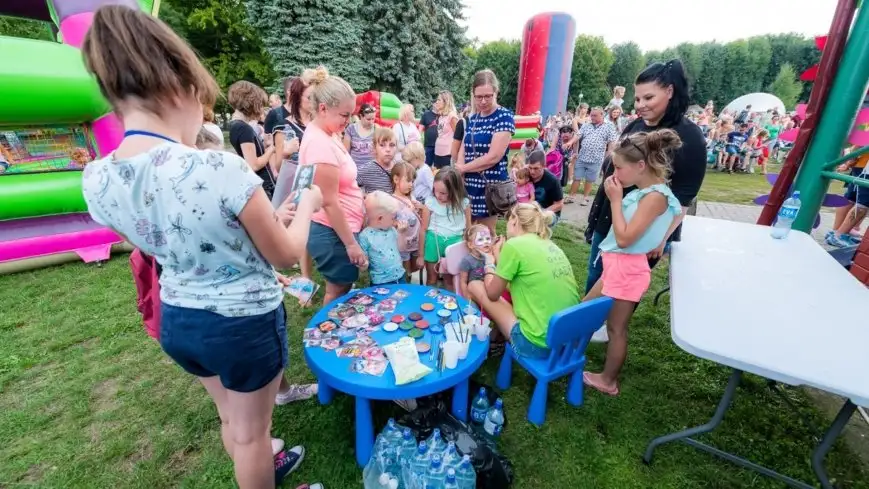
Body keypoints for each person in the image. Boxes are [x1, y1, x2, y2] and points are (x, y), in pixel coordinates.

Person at [78, 6, 321, 487]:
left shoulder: (97, 180)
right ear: (180, 86)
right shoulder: (218, 168)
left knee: (232, 420)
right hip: (242, 324)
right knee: (253, 435)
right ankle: (258, 472)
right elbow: (286, 255)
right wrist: (310, 203)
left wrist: (264, 220)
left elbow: (164, 238)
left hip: (180, 320)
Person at [585, 59, 706, 296]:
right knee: (597, 273)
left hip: (644, 230)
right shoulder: (635, 126)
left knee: (621, 288)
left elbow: (683, 197)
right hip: (611, 215)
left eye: (648, 98)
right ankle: (589, 324)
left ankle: (607, 326)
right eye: (637, 98)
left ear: (670, 91)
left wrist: (661, 238)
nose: (640, 105)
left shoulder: (690, 137)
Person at [582, 131, 683, 396]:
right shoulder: (648, 192)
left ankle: (607, 380)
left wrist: (615, 200)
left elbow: (625, 238)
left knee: (616, 328)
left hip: (627, 268)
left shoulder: (654, 197)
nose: (615, 173)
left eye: (618, 167)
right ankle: (568, 352)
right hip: (620, 266)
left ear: (640, 166)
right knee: (584, 312)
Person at [466, 203, 579, 359]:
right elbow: (519, 282)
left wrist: (489, 262)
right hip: (566, 342)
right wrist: (499, 256)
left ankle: (482, 336)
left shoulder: (515, 245)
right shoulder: (549, 244)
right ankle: (495, 337)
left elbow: (492, 293)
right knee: (507, 293)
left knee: (475, 285)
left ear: (515, 221)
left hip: (535, 345)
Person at [302, 66, 368, 305]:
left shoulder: (327, 134)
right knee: (336, 292)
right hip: (332, 232)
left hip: (338, 229)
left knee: (341, 288)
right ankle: (327, 335)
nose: (348, 121)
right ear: (323, 108)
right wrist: (351, 244)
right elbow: (329, 202)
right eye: (344, 115)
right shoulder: (320, 144)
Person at [456, 70, 515, 232]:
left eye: (488, 96)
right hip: (468, 184)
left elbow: (494, 157)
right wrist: (459, 168)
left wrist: (463, 168)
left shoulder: (504, 116)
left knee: (485, 233)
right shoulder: (473, 118)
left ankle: (490, 258)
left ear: (496, 92)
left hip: (489, 187)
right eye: (478, 96)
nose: (482, 101)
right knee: (468, 230)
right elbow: (464, 146)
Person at [417, 168, 471, 291]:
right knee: (431, 278)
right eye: (435, 191)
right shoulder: (430, 203)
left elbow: (469, 228)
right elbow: (423, 229)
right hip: (433, 241)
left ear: (454, 191)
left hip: (455, 243)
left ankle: (449, 304)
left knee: (450, 279)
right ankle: (430, 303)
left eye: (443, 193)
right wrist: (420, 255)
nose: (438, 195)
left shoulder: (464, 204)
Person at [228, 80, 277, 199]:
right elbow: (253, 164)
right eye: (260, 104)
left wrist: (264, 145)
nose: (261, 108)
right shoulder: (243, 128)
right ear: (251, 103)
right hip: (263, 187)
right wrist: (271, 149)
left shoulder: (236, 125)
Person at [567, 107, 618, 205]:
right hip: (582, 157)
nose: (592, 117)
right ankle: (571, 196)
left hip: (596, 159)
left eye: (595, 115)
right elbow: (578, 135)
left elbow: (612, 141)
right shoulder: (587, 125)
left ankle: (585, 198)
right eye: (591, 115)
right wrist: (570, 142)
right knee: (576, 177)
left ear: (602, 115)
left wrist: (608, 156)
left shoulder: (609, 126)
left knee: (589, 180)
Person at [359, 191, 406, 285]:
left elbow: (401, 248)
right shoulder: (365, 236)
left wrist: (401, 233)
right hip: (381, 282)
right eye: (392, 218)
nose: (394, 220)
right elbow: (363, 264)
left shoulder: (392, 230)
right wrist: (363, 264)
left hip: (400, 277)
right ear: (380, 218)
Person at [827, 148, 869, 248]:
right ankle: (839, 235)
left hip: (862, 165)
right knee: (863, 204)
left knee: (851, 199)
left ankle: (837, 232)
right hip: (865, 167)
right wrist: (849, 160)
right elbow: (860, 143)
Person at [391, 161, 421, 277]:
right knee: (406, 272)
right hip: (402, 245)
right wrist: (397, 224)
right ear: (396, 180)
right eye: (408, 181)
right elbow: (389, 222)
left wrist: (420, 208)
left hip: (415, 242)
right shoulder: (392, 201)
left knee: (414, 269)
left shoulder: (411, 197)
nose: (411, 184)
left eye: (412, 181)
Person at [527, 150, 564, 227]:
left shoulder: (553, 180)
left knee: (537, 225)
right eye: (530, 168)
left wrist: (540, 213)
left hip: (548, 212)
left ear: (544, 166)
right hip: (529, 209)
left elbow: (559, 204)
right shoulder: (526, 174)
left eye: (536, 168)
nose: (532, 172)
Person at [356, 127, 397, 194]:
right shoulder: (367, 169)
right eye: (382, 145)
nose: (388, 149)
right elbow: (347, 185)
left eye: (392, 145)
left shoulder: (399, 167)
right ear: (375, 148)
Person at [458, 224, 492, 299]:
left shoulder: (490, 257)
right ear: (470, 245)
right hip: (474, 293)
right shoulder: (467, 261)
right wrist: (466, 297)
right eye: (480, 239)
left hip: (488, 289)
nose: (486, 242)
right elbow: (463, 281)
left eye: (488, 238)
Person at [344, 103, 377, 167]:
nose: (371, 122)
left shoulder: (376, 129)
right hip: (355, 168)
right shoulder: (351, 129)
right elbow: (346, 152)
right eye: (368, 119)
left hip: (371, 169)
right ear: (361, 116)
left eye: (373, 119)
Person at [433, 90, 459, 169]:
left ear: (446, 101)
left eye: (439, 100)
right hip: (438, 153)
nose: (436, 102)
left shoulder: (451, 116)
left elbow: (458, 136)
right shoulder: (441, 116)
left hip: (447, 154)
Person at [419, 100, 439, 166]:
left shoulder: (443, 115)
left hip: (440, 146)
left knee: (438, 166)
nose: (437, 104)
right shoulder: (426, 114)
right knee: (427, 165)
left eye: (438, 102)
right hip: (428, 145)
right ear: (433, 104)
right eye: (435, 103)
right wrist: (419, 141)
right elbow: (420, 129)